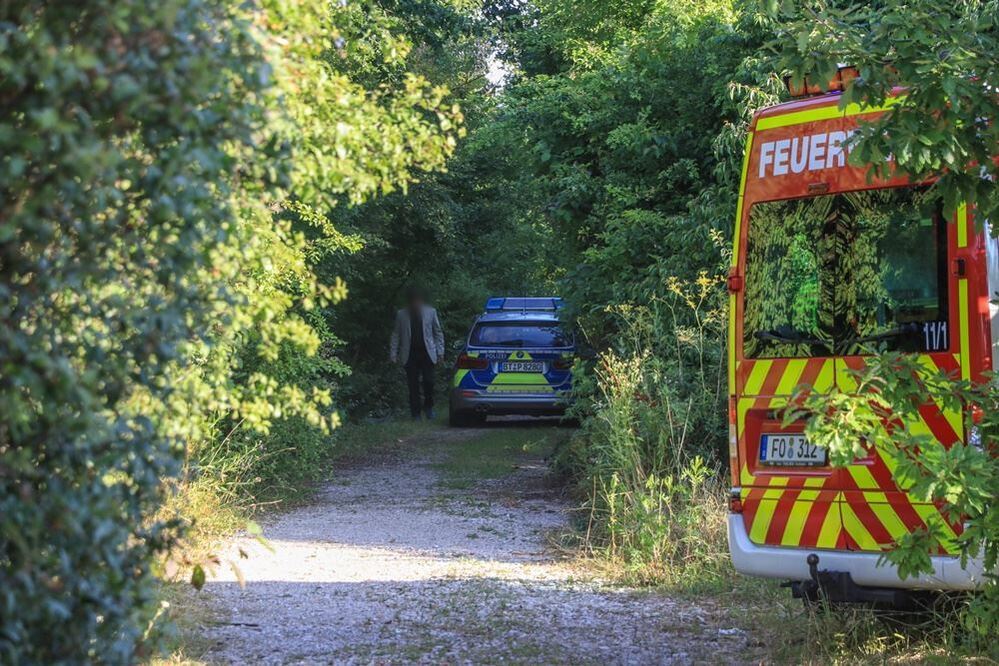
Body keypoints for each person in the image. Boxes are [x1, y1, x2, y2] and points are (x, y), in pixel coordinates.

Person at [389, 286, 445, 419]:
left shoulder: (431, 312)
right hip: (410, 353)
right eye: (413, 301)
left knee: (429, 381)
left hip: (427, 352)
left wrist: (440, 352)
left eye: (418, 300)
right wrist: (393, 353)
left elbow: (437, 332)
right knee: (412, 384)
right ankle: (416, 413)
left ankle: (429, 407)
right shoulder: (401, 314)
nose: (416, 304)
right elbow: (396, 334)